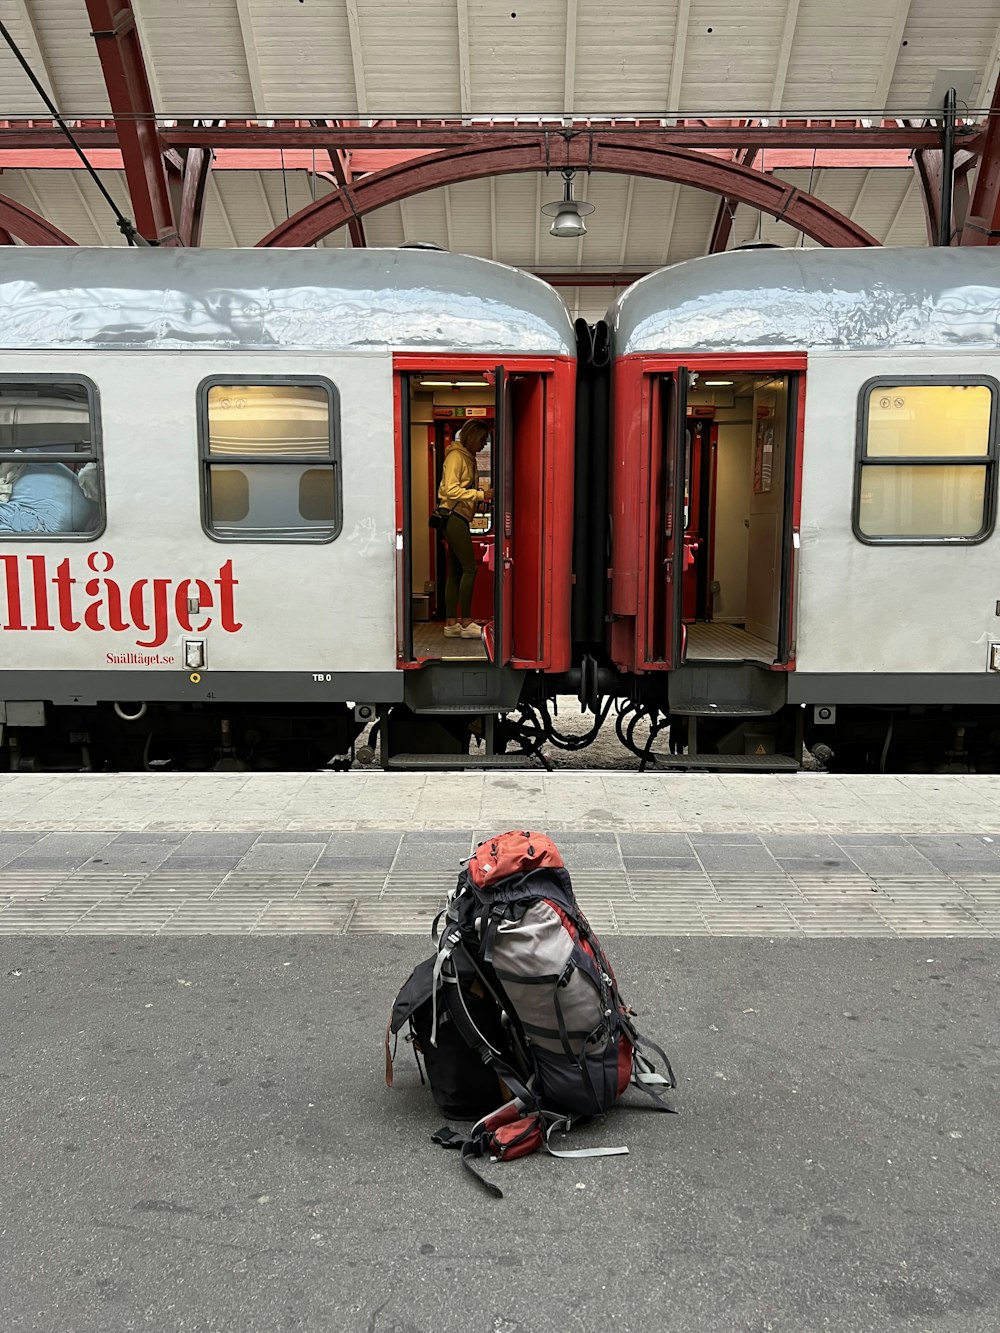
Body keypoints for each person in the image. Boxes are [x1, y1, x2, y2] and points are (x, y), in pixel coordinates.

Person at [437, 420, 492, 638]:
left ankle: (452, 624)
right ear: (471, 437)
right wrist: (481, 495)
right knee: (470, 568)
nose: (482, 445)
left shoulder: (466, 457)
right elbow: (451, 490)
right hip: (453, 516)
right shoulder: (456, 457)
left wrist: (479, 499)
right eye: (481, 440)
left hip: (457, 516)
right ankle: (467, 622)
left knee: (456, 571)